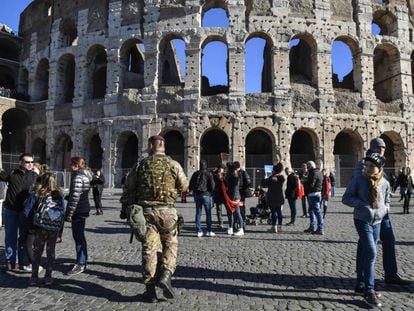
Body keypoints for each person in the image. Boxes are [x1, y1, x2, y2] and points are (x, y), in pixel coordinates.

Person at [120, 135, 188, 303]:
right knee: (170, 245)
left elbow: (128, 188)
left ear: (151, 146)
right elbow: (185, 185)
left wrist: (125, 208)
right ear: (163, 146)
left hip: (147, 213)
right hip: (168, 213)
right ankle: (166, 273)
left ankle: (150, 291)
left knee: (149, 250)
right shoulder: (173, 164)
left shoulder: (140, 165)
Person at [353, 137, 410, 286]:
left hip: (382, 212)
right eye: (379, 147)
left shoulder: (382, 164)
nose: (382, 149)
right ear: (372, 148)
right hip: (368, 212)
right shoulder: (363, 164)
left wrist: (387, 205)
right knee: (365, 244)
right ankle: (362, 276)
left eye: (384, 147)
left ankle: (391, 274)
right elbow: (359, 184)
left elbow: (384, 187)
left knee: (389, 240)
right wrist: (363, 204)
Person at [343, 153, 389, 308]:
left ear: (379, 168)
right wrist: (362, 204)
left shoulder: (384, 183)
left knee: (365, 251)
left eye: (372, 166)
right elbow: (346, 198)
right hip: (362, 219)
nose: (368, 168)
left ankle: (360, 284)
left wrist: (384, 209)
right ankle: (369, 290)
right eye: (366, 165)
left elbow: (387, 199)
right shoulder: (358, 179)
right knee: (371, 252)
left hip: (377, 221)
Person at [24, 173, 65, 286]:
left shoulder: (37, 194)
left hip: (40, 228)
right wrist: (60, 232)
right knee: (50, 252)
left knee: (37, 252)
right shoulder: (59, 194)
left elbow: (26, 212)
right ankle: (48, 277)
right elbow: (62, 214)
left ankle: (34, 276)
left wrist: (30, 228)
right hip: (54, 228)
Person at [0, 153, 38, 271]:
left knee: (23, 238)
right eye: (27, 162)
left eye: (32, 162)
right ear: (20, 162)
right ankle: (11, 261)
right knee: (10, 237)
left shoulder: (35, 176)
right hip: (11, 210)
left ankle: (22, 261)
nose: (30, 164)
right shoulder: (12, 173)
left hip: (26, 213)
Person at [65, 157, 92, 276]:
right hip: (83, 208)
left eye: (71, 164)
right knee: (80, 236)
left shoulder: (78, 177)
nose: (69, 166)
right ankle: (82, 260)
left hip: (78, 210)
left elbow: (75, 199)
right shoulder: (85, 175)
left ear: (76, 165)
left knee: (78, 237)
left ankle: (81, 263)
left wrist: (69, 214)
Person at [189, 160, 215, 237]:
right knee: (208, 213)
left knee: (198, 213)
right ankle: (209, 230)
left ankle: (198, 230)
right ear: (206, 166)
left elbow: (191, 184)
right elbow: (212, 185)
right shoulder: (209, 174)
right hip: (206, 194)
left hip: (197, 195)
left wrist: (193, 190)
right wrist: (211, 193)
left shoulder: (195, 173)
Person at [262, 163, 285, 233]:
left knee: (273, 212)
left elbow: (263, 184)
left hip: (272, 197)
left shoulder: (271, 178)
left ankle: (274, 227)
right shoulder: (282, 178)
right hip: (280, 196)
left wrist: (265, 177)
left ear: (274, 171)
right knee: (279, 212)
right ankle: (280, 227)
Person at [303, 161, 324, 235]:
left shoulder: (313, 173)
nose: (307, 169)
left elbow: (311, 184)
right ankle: (312, 226)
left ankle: (320, 228)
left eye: (308, 167)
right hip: (316, 193)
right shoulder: (319, 172)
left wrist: (305, 181)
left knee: (317, 211)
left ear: (311, 166)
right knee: (311, 211)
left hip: (313, 194)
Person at [225, 162, 244, 236]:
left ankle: (241, 229)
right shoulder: (231, 176)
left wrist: (232, 198)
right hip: (231, 196)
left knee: (237, 212)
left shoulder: (234, 177)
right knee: (230, 213)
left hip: (234, 197)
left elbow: (234, 189)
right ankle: (230, 228)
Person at [234, 161, 251, 229]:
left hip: (241, 193)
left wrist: (243, 188)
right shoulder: (235, 172)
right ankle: (237, 222)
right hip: (236, 193)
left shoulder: (243, 172)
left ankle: (243, 222)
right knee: (236, 208)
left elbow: (248, 182)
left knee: (241, 208)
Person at [212, 164, 226, 229]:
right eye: (219, 169)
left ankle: (231, 222)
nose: (220, 170)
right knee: (219, 210)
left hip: (225, 195)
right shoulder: (214, 176)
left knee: (228, 209)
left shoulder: (226, 175)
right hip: (218, 194)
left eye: (221, 169)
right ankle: (220, 222)